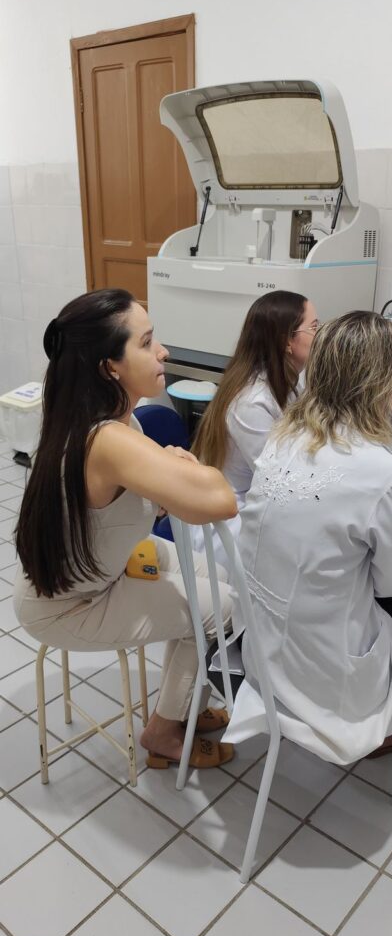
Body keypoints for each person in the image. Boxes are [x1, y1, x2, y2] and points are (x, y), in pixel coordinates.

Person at [13, 289, 238, 770]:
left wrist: (169, 474)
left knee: (217, 578)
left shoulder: (110, 419)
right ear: (109, 367)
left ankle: (185, 699)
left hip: (96, 565)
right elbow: (220, 500)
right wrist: (184, 469)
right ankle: (164, 731)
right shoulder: (109, 440)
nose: (164, 353)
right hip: (71, 605)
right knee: (221, 608)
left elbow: (143, 501)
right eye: (147, 343)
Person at [223, 311, 392, 764]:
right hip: (328, 677)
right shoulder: (387, 475)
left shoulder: (283, 440)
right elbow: (389, 586)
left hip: (263, 650)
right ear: (384, 384)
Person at [191, 290, 318, 563]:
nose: (319, 335)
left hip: (263, 505)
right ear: (287, 341)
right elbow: (279, 481)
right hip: (232, 522)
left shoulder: (289, 381)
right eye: (314, 327)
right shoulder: (251, 402)